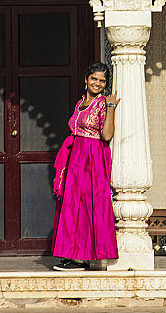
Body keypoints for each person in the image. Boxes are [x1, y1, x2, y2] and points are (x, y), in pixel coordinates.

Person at [51, 62, 119, 271]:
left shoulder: (101, 103)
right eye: (94, 79)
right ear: (86, 79)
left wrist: (111, 107)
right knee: (72, 206)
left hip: (93, 158)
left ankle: (85, 257)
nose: (97, 83)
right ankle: (73, 254)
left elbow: (106, 135)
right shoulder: (80, 103)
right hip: (76, 158)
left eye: (102, 81)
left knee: (89, 206)